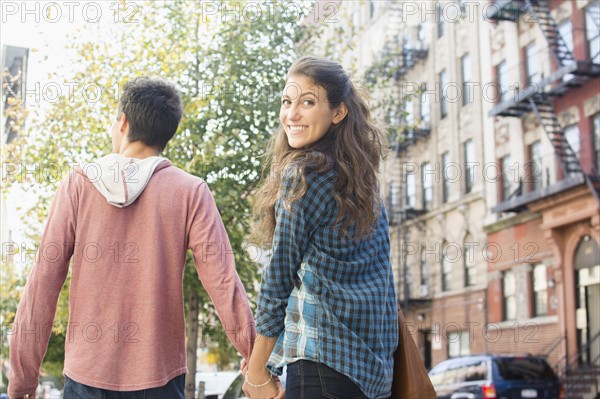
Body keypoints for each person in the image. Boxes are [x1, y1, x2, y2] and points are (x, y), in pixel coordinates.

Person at [8, 77, 256, 399]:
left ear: (122, 122)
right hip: (159, 377)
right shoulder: (190, 191)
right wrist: (254, 355)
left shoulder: (79, 184)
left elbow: (43, 282)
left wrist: (22, 379)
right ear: (167, 133)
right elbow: (223, 282)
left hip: (86, 375)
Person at [243, 56, 399, 399]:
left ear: (338, 112)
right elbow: (384, 281)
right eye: (287, 102)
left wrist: (256, 371)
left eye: (308, 102)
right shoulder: (363, 183)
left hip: (321, 368)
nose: (292, 114)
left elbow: (278, 279)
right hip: (372, 373)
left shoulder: (304, 175)